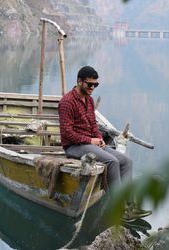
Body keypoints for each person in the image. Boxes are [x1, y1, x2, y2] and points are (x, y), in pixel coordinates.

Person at [58, 66, 151, 221]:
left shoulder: (89, 99)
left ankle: (130, 205)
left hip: (91, 144)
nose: (92, 88)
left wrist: (99, 138)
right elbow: (67, 133)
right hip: (74, 146)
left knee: (126, 162)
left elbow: (93, 124)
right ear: (79, 82)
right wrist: (90, 140)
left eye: (96, 85)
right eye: (89, 84)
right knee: (112, 161)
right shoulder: (67, 102)